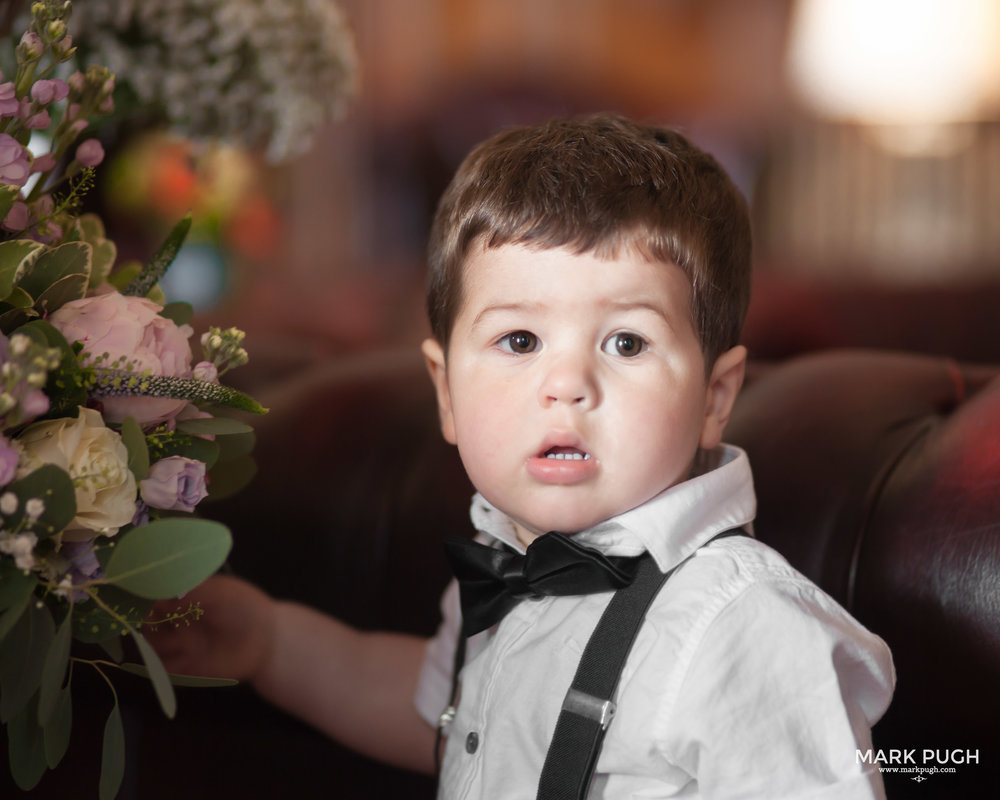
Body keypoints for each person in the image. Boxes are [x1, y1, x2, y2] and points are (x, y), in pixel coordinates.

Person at [151, 114, 895, 798]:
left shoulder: (750, 631)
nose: (567, 385)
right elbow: (450, 721)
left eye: (626, 343)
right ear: (445, 392)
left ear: (714, 397)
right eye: (519, 341)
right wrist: (272, 642)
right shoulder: (504, 563)